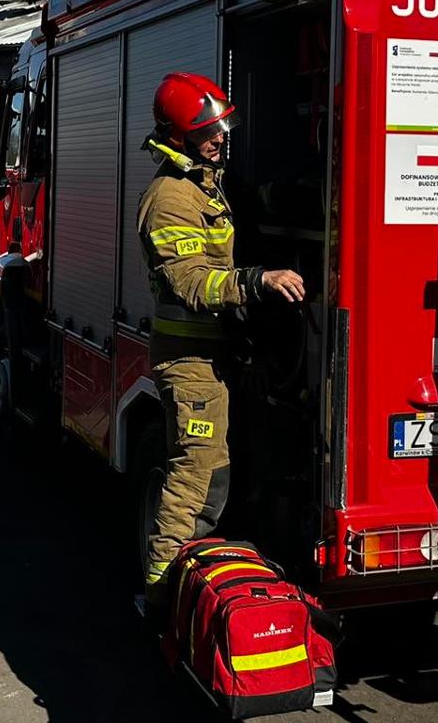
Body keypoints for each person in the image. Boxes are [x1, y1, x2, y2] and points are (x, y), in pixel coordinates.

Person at [136, 72, 305, 600]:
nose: (218, 139)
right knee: (196, 478)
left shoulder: (207, 184)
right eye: (206, 132)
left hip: (219, 354)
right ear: (178, 136)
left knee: (227, 472)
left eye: (220, 129)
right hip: (190, 361)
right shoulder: (170, 198)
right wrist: (259, 281)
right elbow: (191, 283)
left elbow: (248, 207)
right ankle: (162, 594)